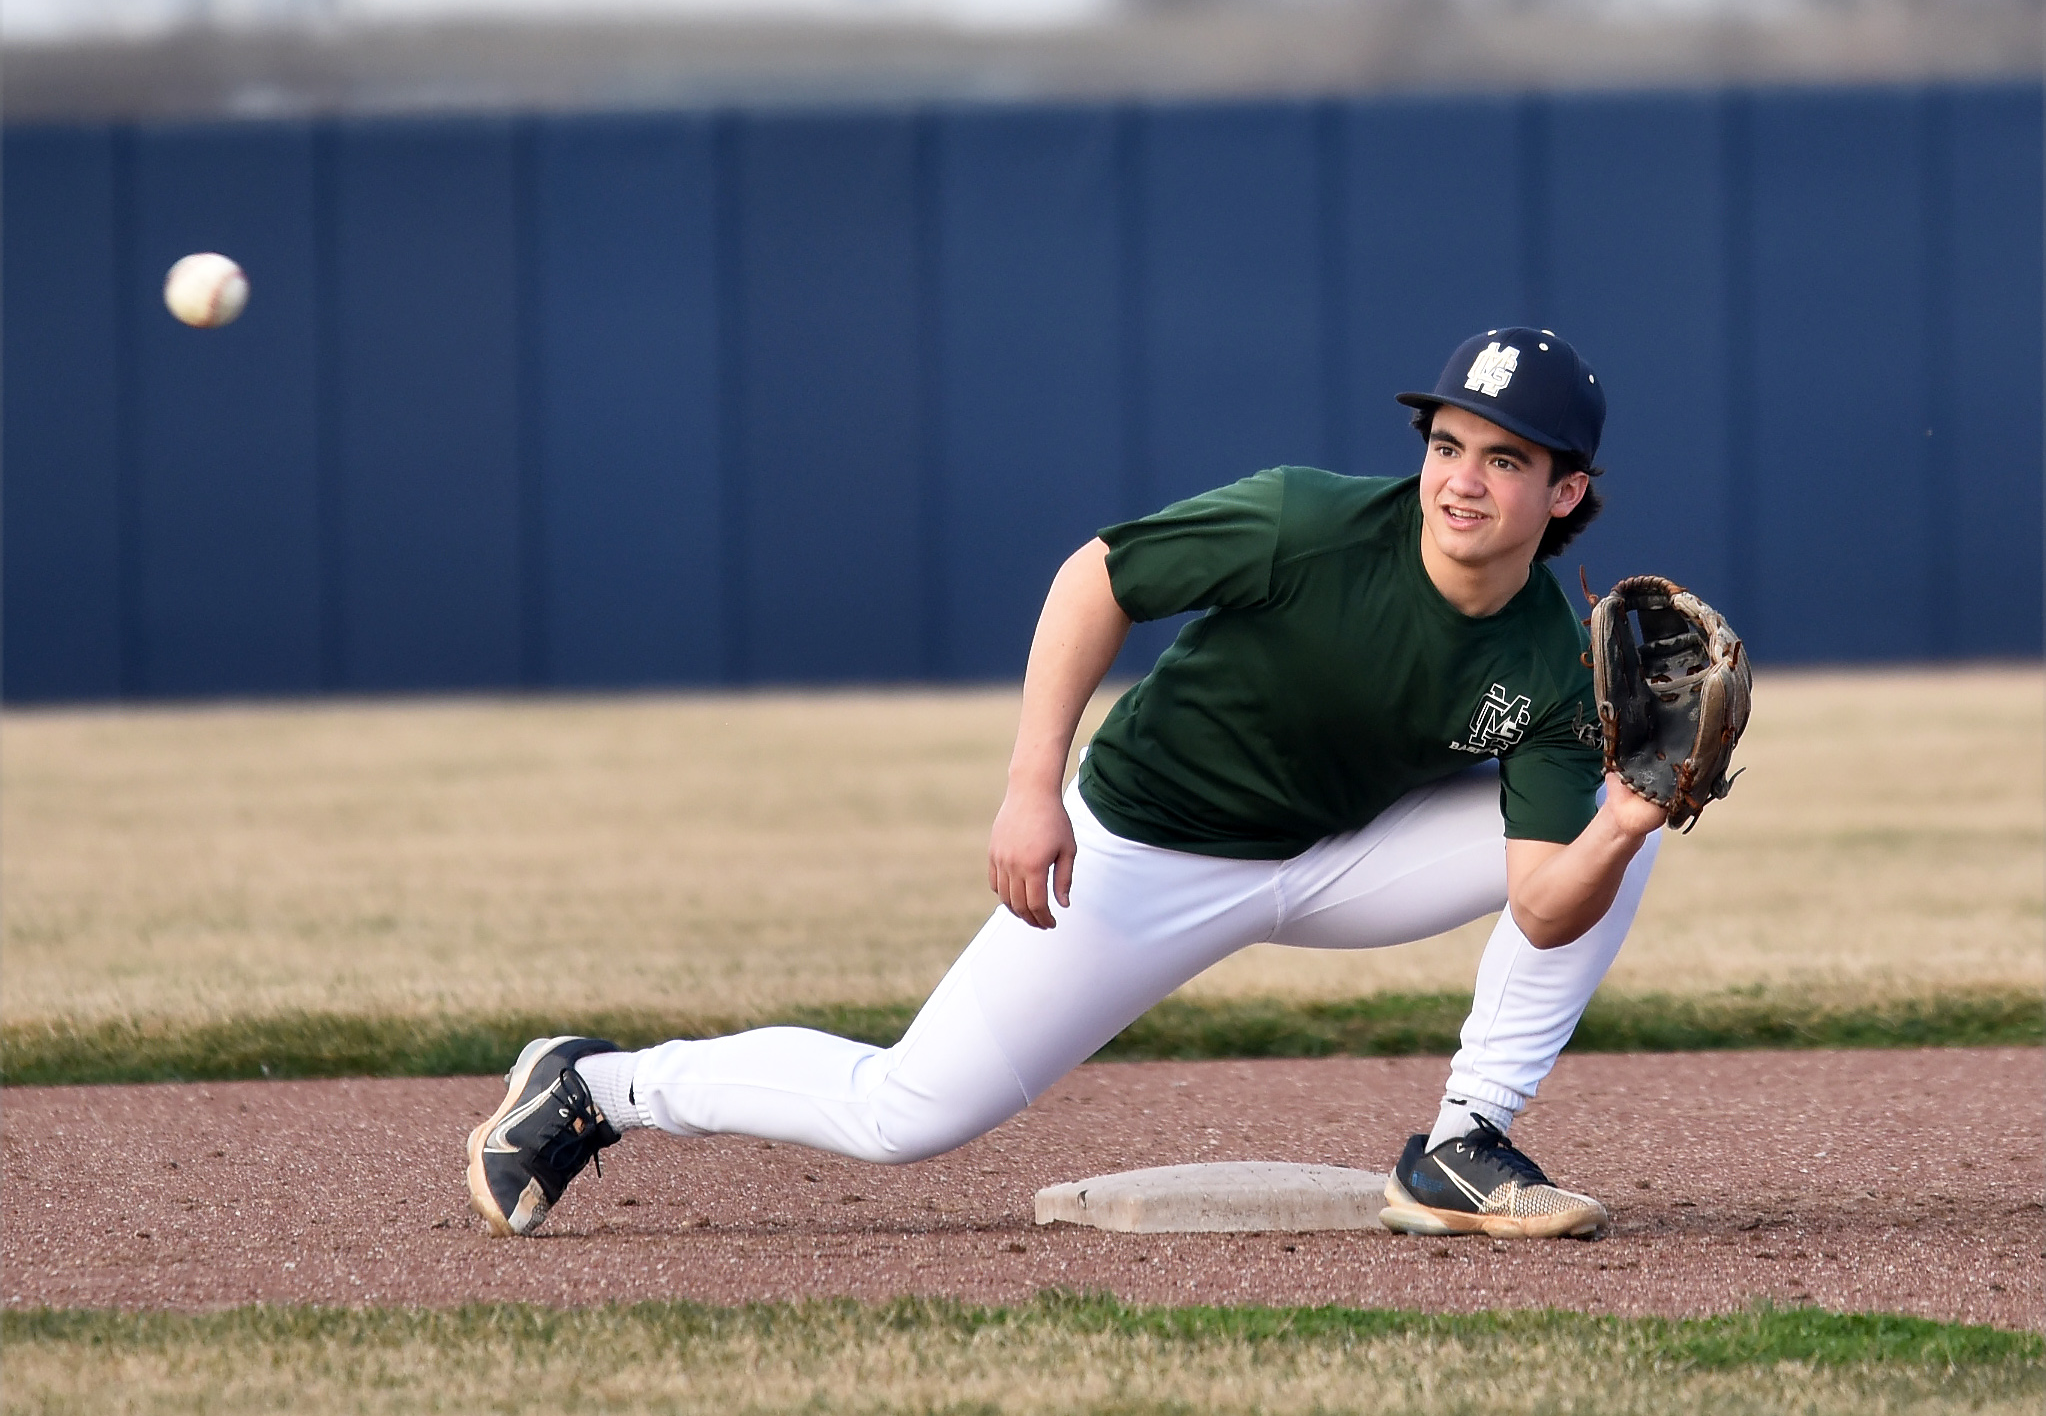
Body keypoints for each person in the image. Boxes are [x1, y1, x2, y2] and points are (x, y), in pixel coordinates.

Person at [468, 327, 1667, 1243]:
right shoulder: (1306, 523)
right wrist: (1033, 783)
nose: (1461, 478)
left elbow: (1544, 903)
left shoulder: (1554, 664)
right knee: (905, 1112)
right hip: (1144, 853)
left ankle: (1463, 1144)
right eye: (1446, 444)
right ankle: (602, 1085)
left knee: (1624, 818)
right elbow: (1098, 579)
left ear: (1565, 492)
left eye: (1504, 458)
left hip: (1342, 861)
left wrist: (1622, 817)